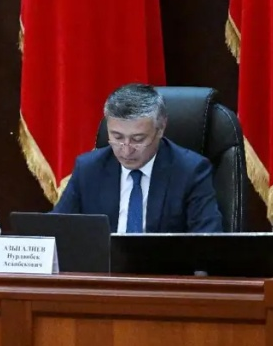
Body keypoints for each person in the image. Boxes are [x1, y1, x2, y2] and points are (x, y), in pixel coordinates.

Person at [53, 83, 222, 233]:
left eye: (138, 139)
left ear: (160, 128)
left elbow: (207, 240)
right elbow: (54, 230)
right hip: (101, 260)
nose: (126, 150)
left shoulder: (191, 171)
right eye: (117, 137)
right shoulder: (89, 168)